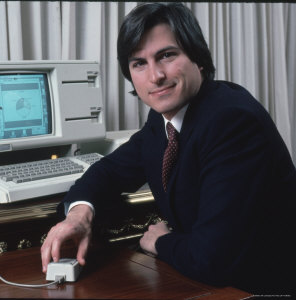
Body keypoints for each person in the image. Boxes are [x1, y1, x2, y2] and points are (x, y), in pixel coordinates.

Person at [41, 2, 296, 296]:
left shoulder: (232, 121)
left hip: (262, 289)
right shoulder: (165, 118)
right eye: (139, 63)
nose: (156, 76)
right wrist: (78, 215)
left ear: (197, 57)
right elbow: (111, 171)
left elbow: (213, 259)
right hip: (212, 281)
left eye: (166, 55)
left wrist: (159, 241)